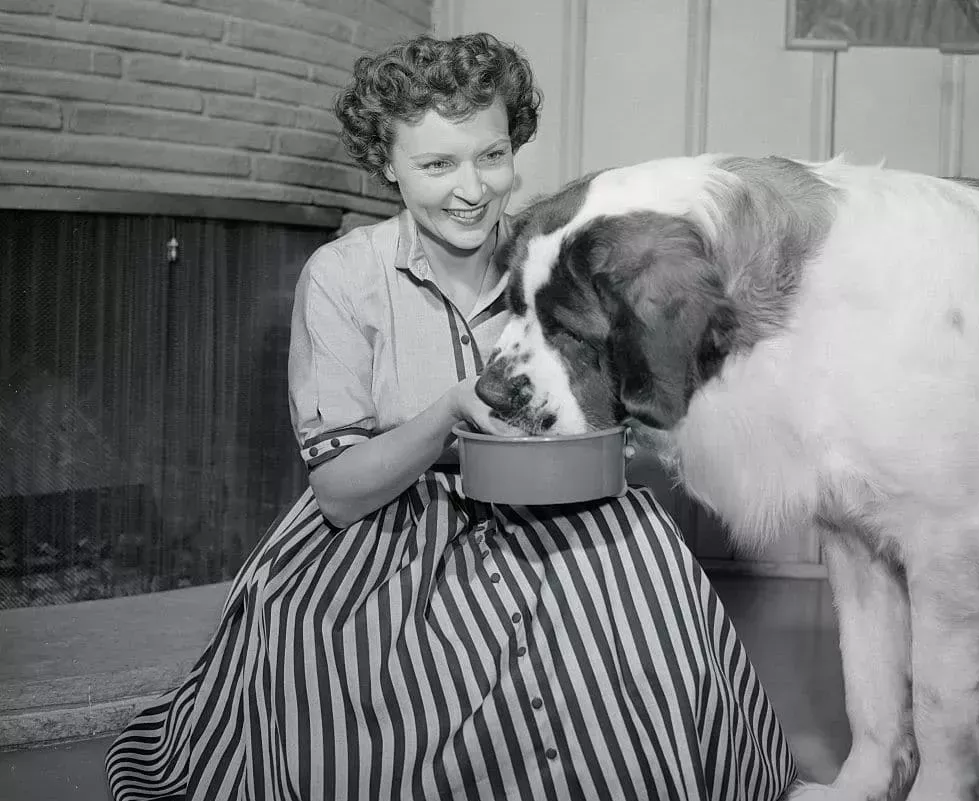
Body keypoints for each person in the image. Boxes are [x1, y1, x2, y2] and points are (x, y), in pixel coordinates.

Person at [106, 32, 798, 801]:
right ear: (388, 166)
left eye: (491, 156)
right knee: (340, 668)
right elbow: (337, 491)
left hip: (557, 509)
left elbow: (628, 428)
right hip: (383, 528)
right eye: (436, 164)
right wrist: (447, 416)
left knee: (645, 599)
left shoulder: (555, 259)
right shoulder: (343, 276)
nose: (472, 189)